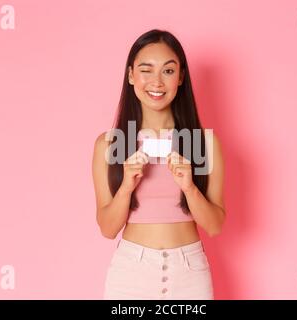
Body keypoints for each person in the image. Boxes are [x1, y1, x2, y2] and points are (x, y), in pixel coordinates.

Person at [92, 29, 225, 300]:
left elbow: (214, 225)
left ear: (181, 77)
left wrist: (189, 188)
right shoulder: (109, 144)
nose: (157, 81)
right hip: (131, 274)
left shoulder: (204, 143)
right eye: (146, 70)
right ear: (131, 75)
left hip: (189, 274)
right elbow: (107, 229)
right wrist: (126, 188)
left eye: (167, 71)